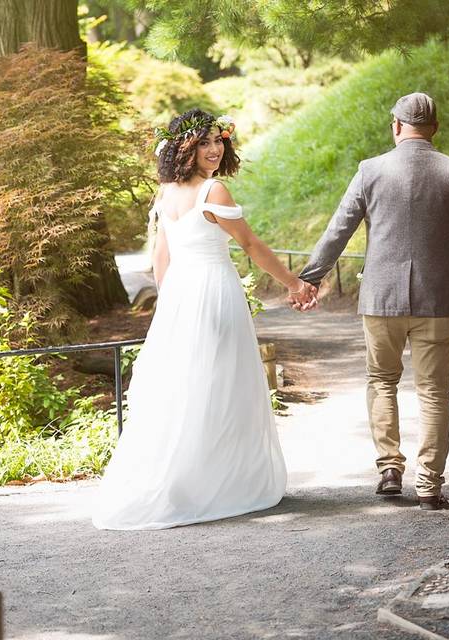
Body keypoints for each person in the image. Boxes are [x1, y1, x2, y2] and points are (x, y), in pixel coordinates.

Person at [92, 109, 315, 530]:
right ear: (184, 147)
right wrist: (293, 282)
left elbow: (162, 259)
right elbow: (249, 244)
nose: (215, 150)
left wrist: (169, 303)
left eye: (219, 141)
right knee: (223, 381)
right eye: (205, 143)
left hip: (179, 295)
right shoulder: (214, 191)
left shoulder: (166, 192)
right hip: (214, 291)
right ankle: (222, 482)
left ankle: (187, 480)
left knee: (187, 383)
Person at [296, 92, 449, 510]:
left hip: (381, 299)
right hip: (439, 299)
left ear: (396, 126)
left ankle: (389, 469)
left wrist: (309, 279)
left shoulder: (370, 171)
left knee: (382, 380)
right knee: (435, 391)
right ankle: (430, 485)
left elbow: (337, 232)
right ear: (435, 129)